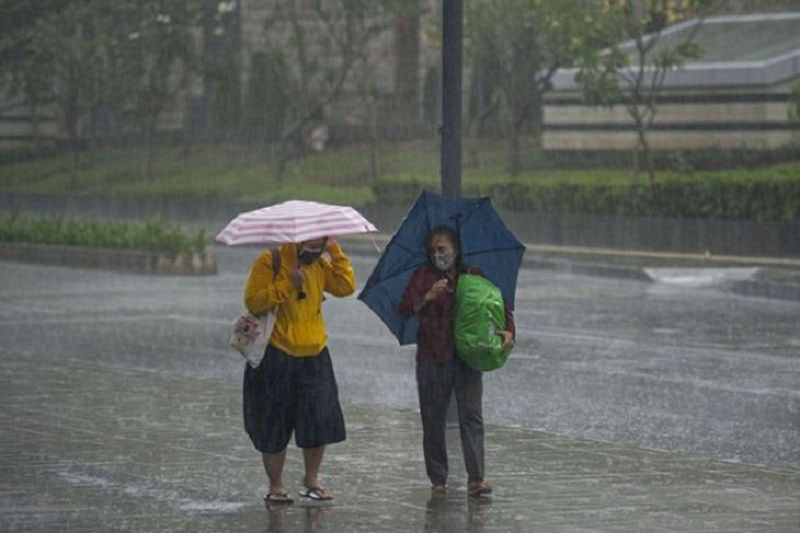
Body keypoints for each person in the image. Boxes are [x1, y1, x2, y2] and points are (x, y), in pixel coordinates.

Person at [400, 226, 514, 497]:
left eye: (442, 249)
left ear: (456, 249)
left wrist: (509, 330)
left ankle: (477, 477)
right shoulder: (423, 276)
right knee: (433, 420)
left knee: (472, 416)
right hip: (432, 357)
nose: (437, 255)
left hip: (467, 357)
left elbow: (497, 305)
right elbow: (405, 308)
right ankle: (438, 479)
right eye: (432, 251)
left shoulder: (472, 276)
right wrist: (427, 297)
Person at [242, 236, 356, 505]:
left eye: (320, 248)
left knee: (319, 420)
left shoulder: (320, 265)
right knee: (273, 422)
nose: (314, 254)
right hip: (277, 354)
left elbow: (346, 286)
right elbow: (254, 301)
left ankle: (311, 480)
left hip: (315, 353)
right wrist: (286, 285)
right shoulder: (270, 261)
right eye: (310, 248)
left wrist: (336, 253)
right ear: (297, 240)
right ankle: (276, 485)